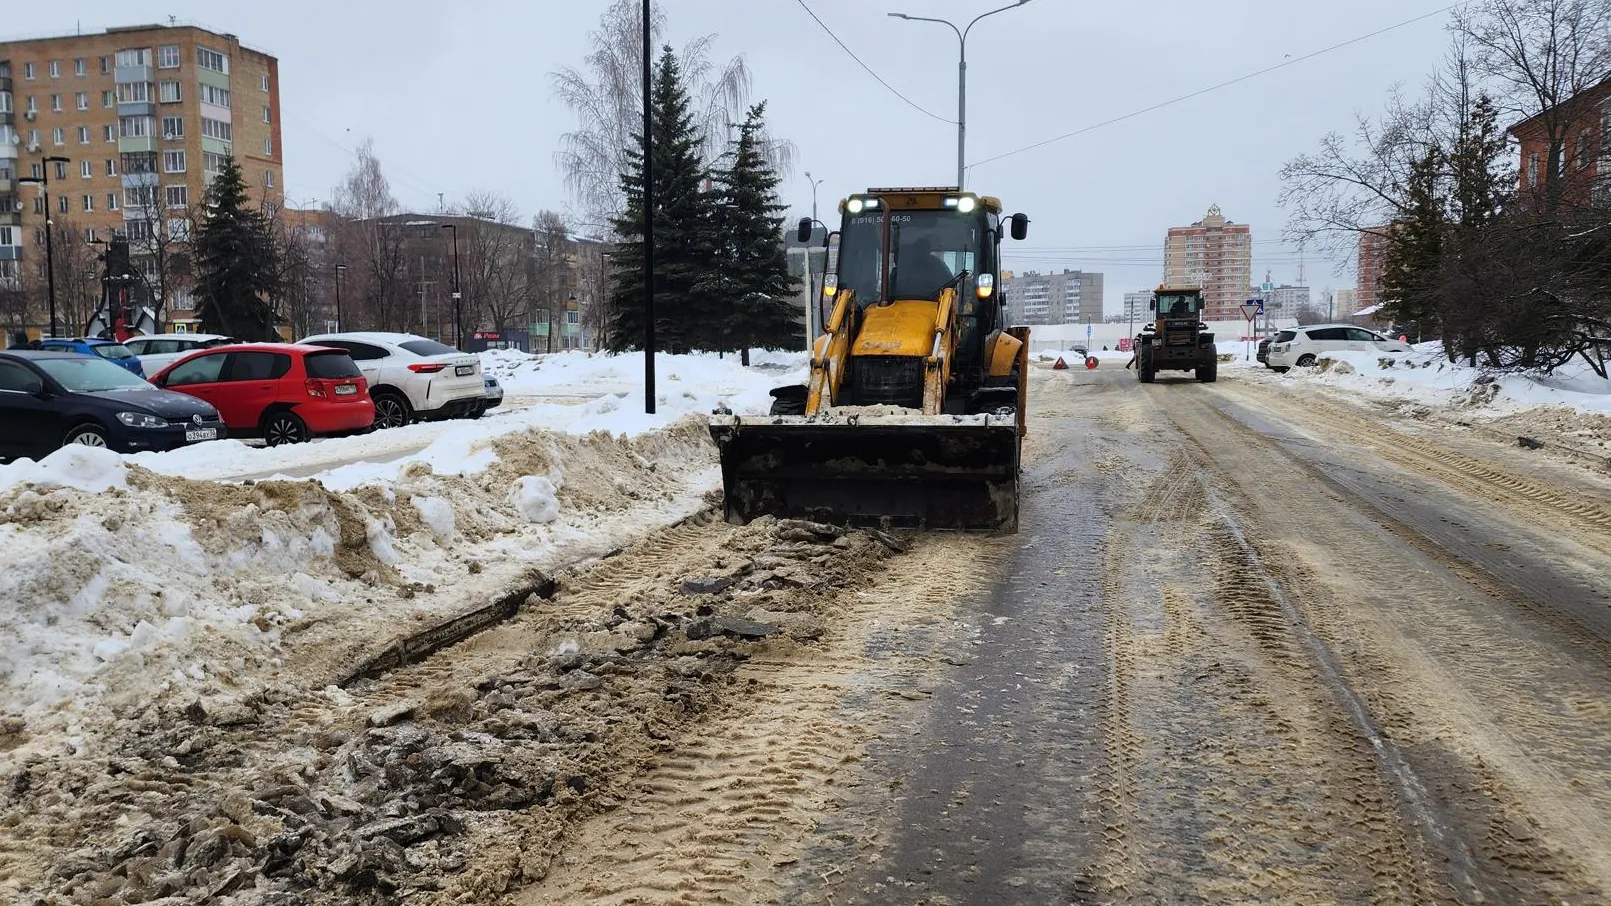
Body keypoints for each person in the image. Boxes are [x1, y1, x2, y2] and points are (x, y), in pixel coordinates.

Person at [891, 235, 955, 301]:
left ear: (928, 250)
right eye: (918, 248)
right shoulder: (900, 268)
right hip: (899, 303)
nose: (921, 251)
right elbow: (889, 291)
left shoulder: (936, 264)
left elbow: (950, 284)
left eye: (924, 248)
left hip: (933, 303)